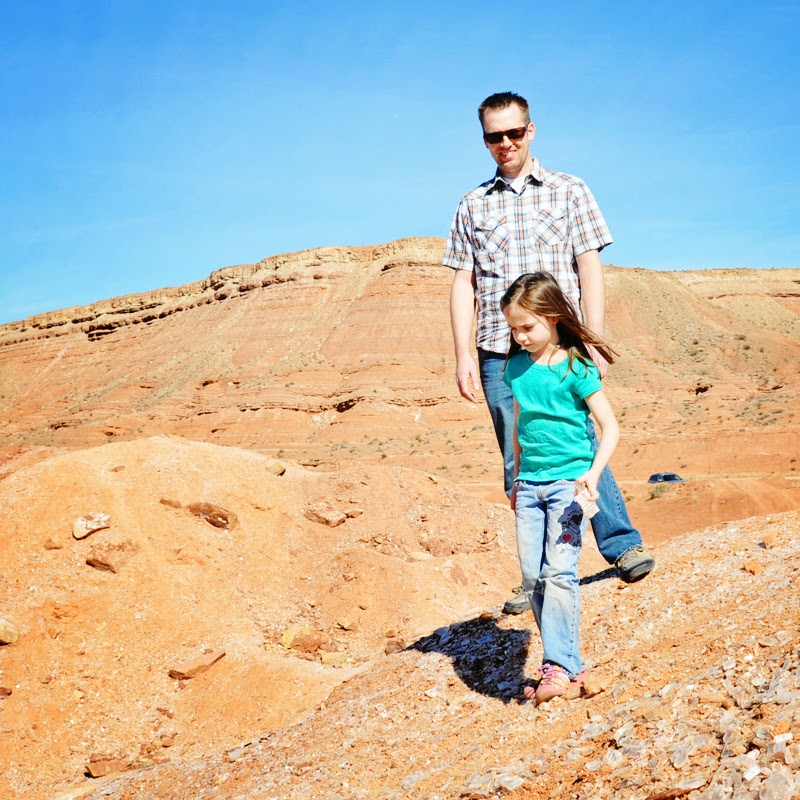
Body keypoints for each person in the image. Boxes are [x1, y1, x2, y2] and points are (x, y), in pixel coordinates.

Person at [443, 91, 654, 606]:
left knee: (579, 442)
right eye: (495, 136)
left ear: (531, 130)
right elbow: (463, 284)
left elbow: (589, 267)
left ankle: (621, 545)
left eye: (514, 132)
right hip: (500, 351)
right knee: (520, 458)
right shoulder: (473, 204)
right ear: (484, 139)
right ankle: (535, 573)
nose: (506, 144)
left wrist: (593, 339)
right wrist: (463, 355)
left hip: (561, 345)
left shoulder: (569, 190)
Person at [501, 271, 618, 703]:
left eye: (527, 327)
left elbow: (609, 428)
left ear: (552, 318)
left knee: (561, 573)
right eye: (513, 328)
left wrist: (592, 472)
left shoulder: (576, 366)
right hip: (529, 487)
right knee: (533, 577)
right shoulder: (515, 368)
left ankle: (559, 665)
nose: (520, 336)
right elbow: (519, 424)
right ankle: (566, 662)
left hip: (569, 489)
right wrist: (515, 479)